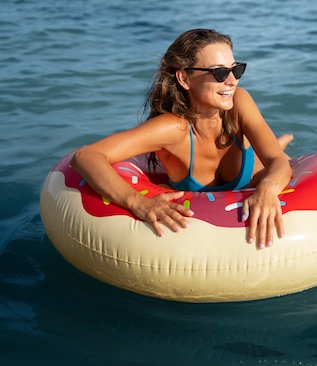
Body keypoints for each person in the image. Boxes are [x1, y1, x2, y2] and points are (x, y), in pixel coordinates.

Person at [71, 28, 293, 249]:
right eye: (220, 73)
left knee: (276, 153)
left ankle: (279, 141)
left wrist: (268, 188)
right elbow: (86, 156)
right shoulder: (172, 129)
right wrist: (136, 202)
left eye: (236, 70)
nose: (232, 81)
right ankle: (277, 141)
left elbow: (277, 161)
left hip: (257, 173)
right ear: (185, 78)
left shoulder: (239, 103)